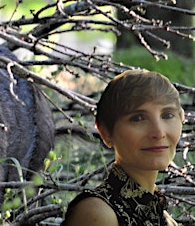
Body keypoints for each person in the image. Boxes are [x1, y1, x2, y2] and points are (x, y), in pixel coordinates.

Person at [62, 70, 184, 226]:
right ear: (105, 132)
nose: (159, 133)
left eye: (167, 115)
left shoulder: (164, 217)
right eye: (138, 118)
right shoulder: (98, 214)